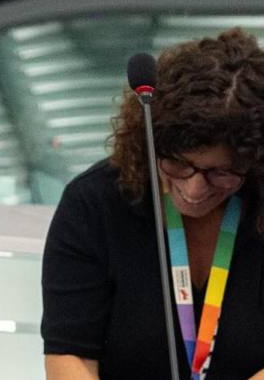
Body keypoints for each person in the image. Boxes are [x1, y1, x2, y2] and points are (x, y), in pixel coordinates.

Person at [41, 28, 264, 379]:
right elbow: (70, 355)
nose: (193, 190)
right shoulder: (94, 203)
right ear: (150, 143)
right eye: (177, 163)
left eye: (221, 173)